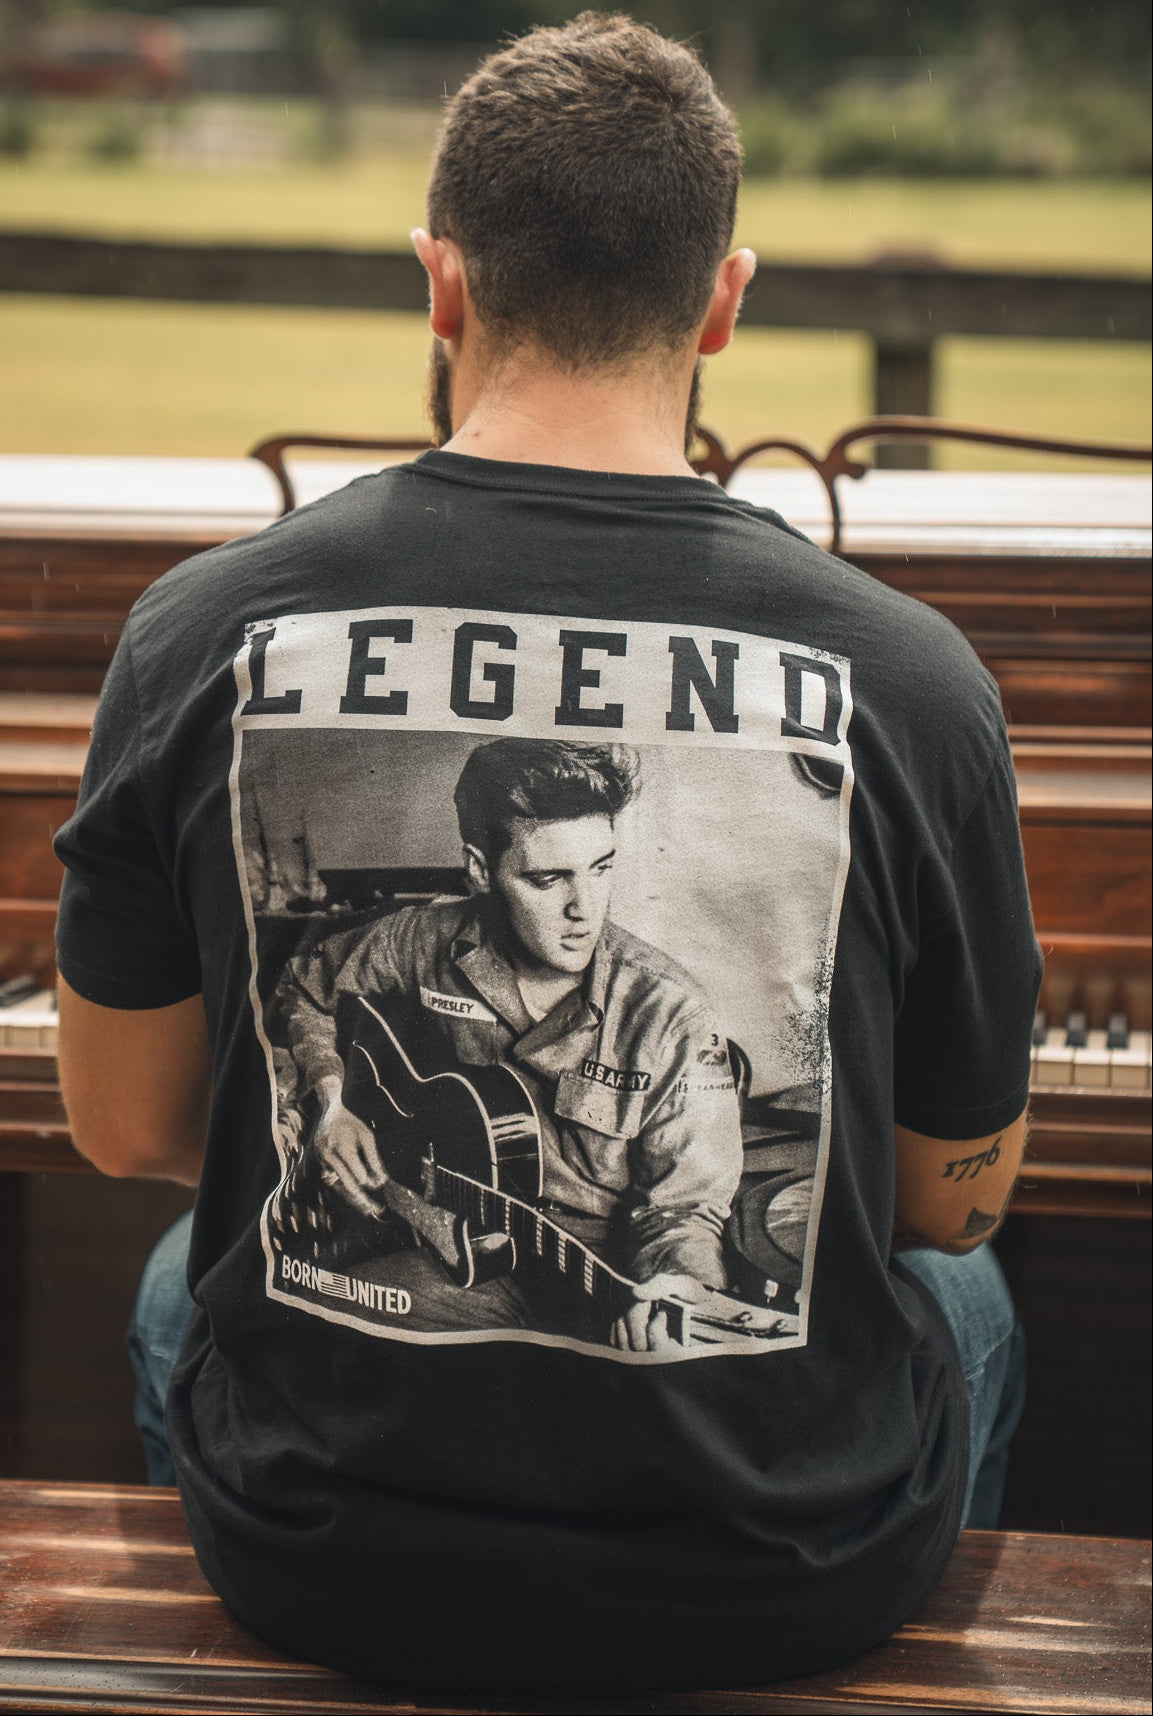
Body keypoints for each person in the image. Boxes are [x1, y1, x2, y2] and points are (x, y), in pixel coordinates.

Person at [53, 10, 1038, 1695]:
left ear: (437, 284)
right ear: (723, 302)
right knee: (977, 1301)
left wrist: (662, 1275)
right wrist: (336, 1104)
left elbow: (129, 1125)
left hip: (325, 1562)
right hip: (766, 1583)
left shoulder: (198, 632)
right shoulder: (914, 681)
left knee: (172, 1279)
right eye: (536, 872)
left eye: (593, 873)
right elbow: (952, 1197)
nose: (568, 905)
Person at [274, 736, 747, 1352]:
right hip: (458, 1242)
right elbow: (304, 987)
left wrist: (679, 1287)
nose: (585, 909)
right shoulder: (424, 939)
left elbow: (684, 1212)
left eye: (601, 868)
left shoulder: (670, 1013)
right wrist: (333, 1103)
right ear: (480, 870)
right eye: (548, 879)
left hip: (599, 1276)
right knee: (314, 1326)